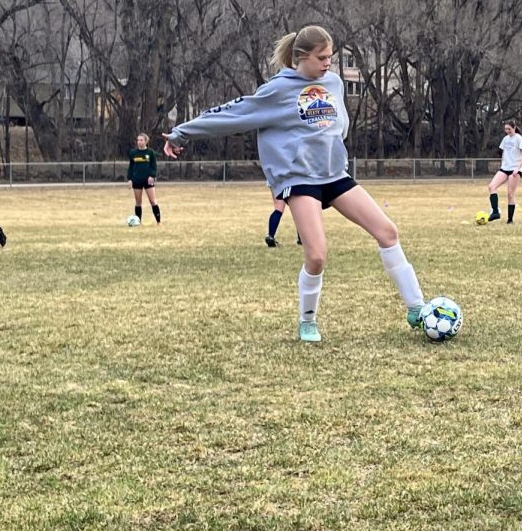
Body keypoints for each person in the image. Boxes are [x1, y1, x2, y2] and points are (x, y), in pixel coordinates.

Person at [163, 25, 426, 343]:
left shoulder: (334, 83)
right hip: (299, 179)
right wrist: (182, 133)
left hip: (334, 174)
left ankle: (417, 308)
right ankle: (308, 321)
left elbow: (337, 126)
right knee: (316, 255)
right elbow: (232, 114)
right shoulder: (277, 90)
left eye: (331, 56)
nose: (328, 63)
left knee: (388, 232)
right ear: (302, 57)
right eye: (322, 57)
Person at [486, 121, 522, 223]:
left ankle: (510, 220)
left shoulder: (519, 139)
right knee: (492, 187)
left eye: (509, 129)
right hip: (505, 168)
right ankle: (495, 212)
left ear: (514, 128)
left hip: (515, 170)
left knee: (510, 194)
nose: (507, 131)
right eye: (506, 129)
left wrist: (517, 168)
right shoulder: (505, 139)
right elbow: (502, 152)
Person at [127, 133, 161, 225]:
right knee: (138, 202)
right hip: (137, 180)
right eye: (138, 140)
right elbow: (131, 167)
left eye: (141, 140)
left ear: (146, 141)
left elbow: (154, 166)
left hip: (148, 180)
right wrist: (129, 179)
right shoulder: (133, 153)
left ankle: (158, 222)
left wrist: (152, 176)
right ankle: (138, 222)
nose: (139, 142)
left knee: (153, 201)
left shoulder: (150, 153)